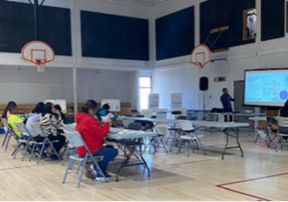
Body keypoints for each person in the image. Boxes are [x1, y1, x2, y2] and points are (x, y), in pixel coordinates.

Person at [76, 100, 118, 181]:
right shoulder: (89, 119)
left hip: (82, 148)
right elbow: (102, 133)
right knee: (114, 151)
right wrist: (106, 124)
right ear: (91, 109)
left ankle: (100, 170)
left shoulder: (80, 118)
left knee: (110, 147)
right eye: (95, 110)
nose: (95, 113)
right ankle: (98, 168)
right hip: (90, 149)